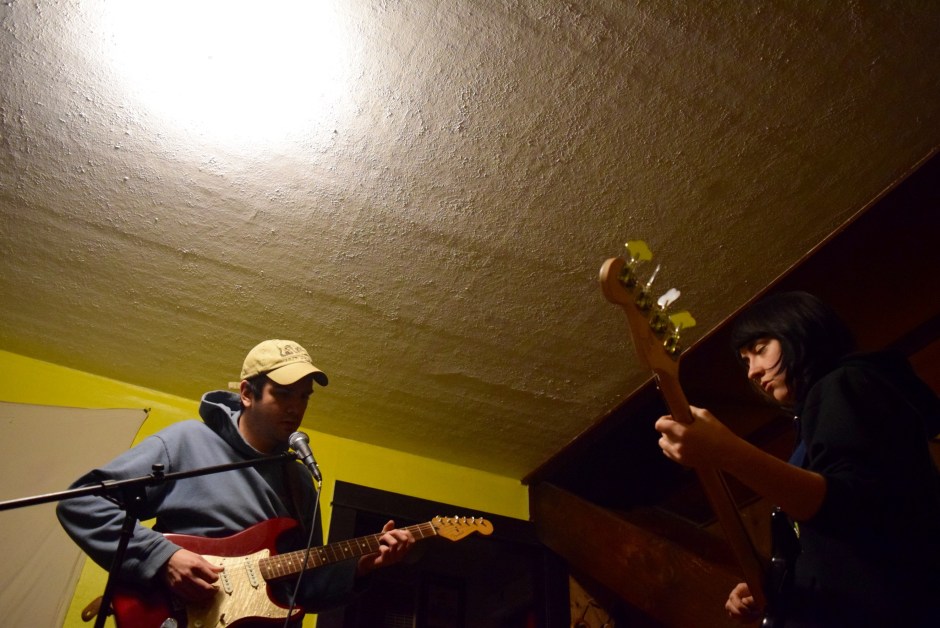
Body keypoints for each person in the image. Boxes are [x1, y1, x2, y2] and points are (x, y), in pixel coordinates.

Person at [57, 339, 414, 620]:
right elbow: (82, 502)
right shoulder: (187, 441)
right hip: (171, 617)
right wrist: (164, 558)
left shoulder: (300, 483)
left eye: (304, 397)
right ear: (246, 393)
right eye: (283, 394)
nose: (296, 408)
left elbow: (302, 585)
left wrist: (363, 566)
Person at [654, 292, 940, 627]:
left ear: (800, 332)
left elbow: (847, 506)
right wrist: (782, 587)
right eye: (746, 361)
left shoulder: (843, 383)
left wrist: (727, 452)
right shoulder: (817, 416)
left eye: (760, 349)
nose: (752, 372)